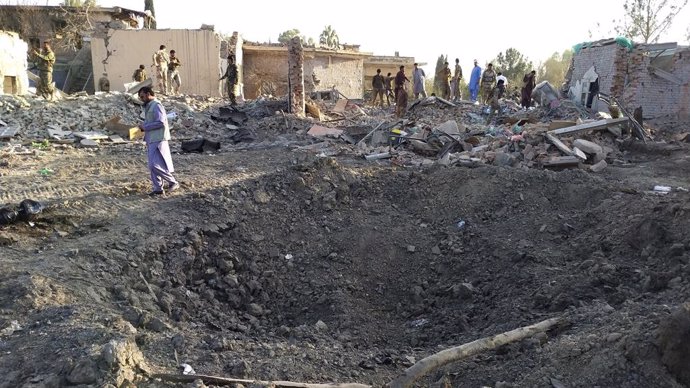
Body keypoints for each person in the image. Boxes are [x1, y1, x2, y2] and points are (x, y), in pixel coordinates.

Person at [137, 86, 179, 196]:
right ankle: (158, 188)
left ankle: (172, 181)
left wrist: (145, 127)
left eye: (142, 96)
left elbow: (161, 122)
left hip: (158, 138)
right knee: (155, 164)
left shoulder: (156, 105)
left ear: (148, 94)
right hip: (151, 138)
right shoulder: (149, 106)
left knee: (153, 165)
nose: (141, 99)